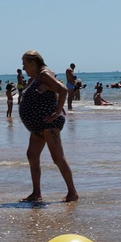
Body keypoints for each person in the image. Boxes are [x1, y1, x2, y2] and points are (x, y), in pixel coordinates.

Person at [17, 50, 78, 202]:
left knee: (57, 158)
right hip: (39, 126)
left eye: (25, 64)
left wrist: (57, 113)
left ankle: (72, 193)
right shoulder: (39, 77)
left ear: (33, 62)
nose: (24, 68)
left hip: (49, 125)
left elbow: (62, 90)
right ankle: (36, 193)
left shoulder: (44, 74)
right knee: (32, 155)